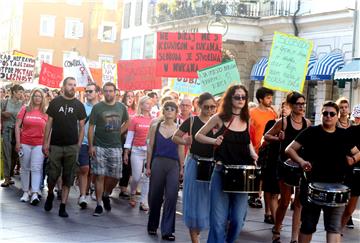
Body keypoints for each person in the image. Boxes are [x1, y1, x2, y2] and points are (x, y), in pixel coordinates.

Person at [285, 101, 359, 243]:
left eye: (332, 114)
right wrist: (301, 162)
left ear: (337, 116)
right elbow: (289, 149)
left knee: (334, 228)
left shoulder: (344, 135)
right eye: (325, 113)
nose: (328, 116)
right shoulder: (311, 132)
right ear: (321, 115)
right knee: (307, 226)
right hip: (312, 186)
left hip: (337, 187)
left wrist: (353, 159)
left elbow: (358, 152)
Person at [195, 85, 258, 243]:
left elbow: (246, 139)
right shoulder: (219, 117)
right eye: (237, 97)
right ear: (230, 99)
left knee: (237, 220)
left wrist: (252, 152)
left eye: (243, 97)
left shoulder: (246, 118)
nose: (241, 100)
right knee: (218, 220)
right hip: (221, 171)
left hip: (242, 175)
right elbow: (198, 135)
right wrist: (214, 140)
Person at [265, 91, 311, 243]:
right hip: (285, 165)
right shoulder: (283, 122)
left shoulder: (307, 123)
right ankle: (277, 229)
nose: (301, 107)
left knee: (298, 203)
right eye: (298, 104)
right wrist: (278, 137)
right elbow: (266, 136)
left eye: (303, 104)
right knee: (284, 201)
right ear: (291, 105)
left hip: (300, 164)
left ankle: (294, 238)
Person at [172, 92, 217, 243]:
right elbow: (175, 137)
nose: (210, 109)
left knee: (209, 201)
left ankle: (200, 233)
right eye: (206, 106)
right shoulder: (191, 121)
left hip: (212, 164)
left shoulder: (218, 123)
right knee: (194, 201)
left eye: (213, 107)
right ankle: (195, 239)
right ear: (199, 106)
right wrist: (186, 141)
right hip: (194, 162)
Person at [42, 77, 86, 217]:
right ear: (64, 86)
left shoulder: (79, 105)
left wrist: (78, 144)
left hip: (72, 146)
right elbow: (49, 123)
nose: (72, 87)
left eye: (74, 85)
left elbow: (82, 127)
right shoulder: (55, 102)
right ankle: (50, 194)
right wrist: (45, 143)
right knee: (52, 175)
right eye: (70, 85)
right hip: (55, 145)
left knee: (68, 177)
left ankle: (63, 206)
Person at [88, 82, 129, 216]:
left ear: (115, 92)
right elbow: (91, 127)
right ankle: (99, 204)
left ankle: (106, 194)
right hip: (99, 145)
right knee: (99, 175)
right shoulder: (98, 107)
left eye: (111, 91)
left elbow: (127, 122)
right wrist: (91, 145)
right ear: (102, 92)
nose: (108, 93)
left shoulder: (121, 107)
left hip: (116, 146)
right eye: (106, 91)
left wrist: (119, 132)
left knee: (116, 175)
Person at [146, 101, 185, 241]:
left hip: (173, 164)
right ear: (163, 111)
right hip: (158, 162)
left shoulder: (179, 128)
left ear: (176, 113)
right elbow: (150, 146)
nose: (169, 111)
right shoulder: (155, 126)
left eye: (172, 109)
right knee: (155, 195)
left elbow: (181, 148)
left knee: (172, 196)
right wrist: (148, 165)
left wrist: (182, 167)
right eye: (167, 108)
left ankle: (167, 230)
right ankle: (152, 225)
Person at [259, 101, 290, 226]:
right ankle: (272, 217)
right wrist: (277, 138)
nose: (284, 110)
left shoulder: (293, 126)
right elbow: (264, 139)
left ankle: (274, 215)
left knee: (280, 195)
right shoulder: (272, 123)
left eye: (287, 108)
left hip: (286, 161)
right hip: (271, 160)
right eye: (282, 107)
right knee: (271, 191)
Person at [14, 88, 48, 205]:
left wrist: (47, 144)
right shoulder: (25, 109)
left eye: (40, 96)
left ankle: (34, 193)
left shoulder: (45, 112)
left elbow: (49, 130)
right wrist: (18, 142)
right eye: (35, 96)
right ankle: (25, 192)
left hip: (39, 144)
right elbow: (17, 126)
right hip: (25, 143)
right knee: (25, 168)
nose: (37, 98)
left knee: (36, 168)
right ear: (32, 97)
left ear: (43, 98)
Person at [249, 87, 277, 210]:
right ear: (261, 99)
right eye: (268, 98)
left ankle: (259, 197)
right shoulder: (252, 113)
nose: (271, 100)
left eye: (271, 97)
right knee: (256, 175)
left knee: (264, 177)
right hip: (255, 148)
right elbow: (248, 131)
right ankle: (255, 196)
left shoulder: (273, 113)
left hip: (269, 150)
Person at [124, 96, 152, 210]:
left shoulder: (154, 119)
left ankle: (144, 201)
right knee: (136, 177)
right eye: (146, 103)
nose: (149, 106)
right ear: (141, 105)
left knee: (147, 177)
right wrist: (126, 152)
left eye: (150, 104)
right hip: (136, 151)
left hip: (149, 152)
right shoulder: (134, 119)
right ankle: (133, 193)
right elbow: (129, 137)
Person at [77, 83, 100, 209]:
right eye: (87, 91)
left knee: (95, 171)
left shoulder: (102, 107)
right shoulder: (81, 107)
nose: (88, 93)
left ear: (97, 93)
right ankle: (82, 196)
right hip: (84, 142)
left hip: (99, 143)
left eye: (91, 91)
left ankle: (95, 192)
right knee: (84, 169)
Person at [1, 84, 24, 187]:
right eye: (20, 92)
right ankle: (6, 178)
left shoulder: (22, 104)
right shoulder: (4, 102)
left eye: (22, 92)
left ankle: (10, 174)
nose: (21, 94)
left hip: (17, 132)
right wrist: (2, 114)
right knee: (7, 154)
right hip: (7, 130)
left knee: (15, 155)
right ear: (14, 92)